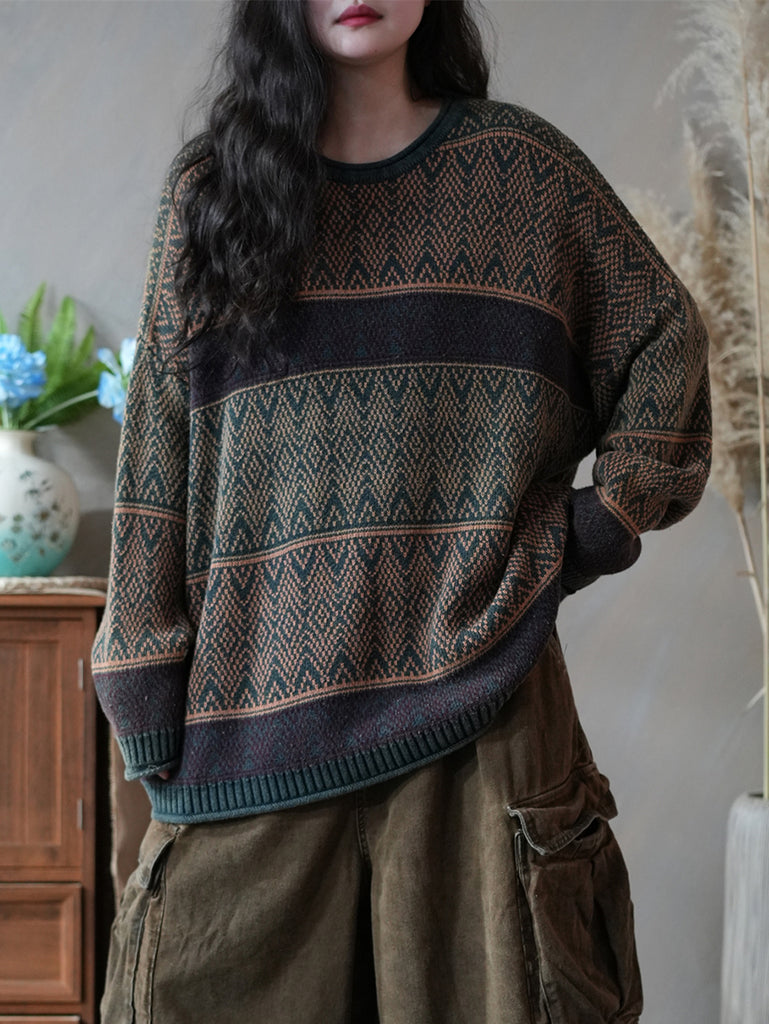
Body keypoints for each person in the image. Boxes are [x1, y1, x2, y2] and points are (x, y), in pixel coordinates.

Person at [93, 1, 711, 1021]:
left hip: (482, 731)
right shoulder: (211, 195)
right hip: (247, 744)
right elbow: (156, 461)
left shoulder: (522, 175)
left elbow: (665, 343)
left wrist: (597, 527)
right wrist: (141, 688)